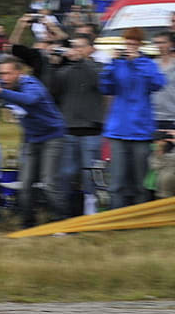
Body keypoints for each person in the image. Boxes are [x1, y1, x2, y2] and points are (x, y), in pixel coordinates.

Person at [0, 55, 66, 227]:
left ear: (19, 73)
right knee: (25, 183)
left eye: (8, 73)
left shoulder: (31, 84)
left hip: (52, 137)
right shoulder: (5, 85)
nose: (3, 78)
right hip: (32, 139)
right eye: (1, 74)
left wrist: (0, 91)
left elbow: (30, 100)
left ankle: (62, 222)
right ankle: (28, 223)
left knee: (49, 182)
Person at [99, 27, 166, 208]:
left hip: (141, 131)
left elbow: (158, 83)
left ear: (140, 44)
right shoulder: (118, 63)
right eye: (127, 43)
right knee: (117, 182)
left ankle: (140, 216)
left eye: (134, 43)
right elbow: (106, 88)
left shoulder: (148, 63)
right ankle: (116, 215)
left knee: (140, 182)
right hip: (118, 130)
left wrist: (137, 63)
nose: (130, 46)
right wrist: (111, 64)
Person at [47, 33, 105, 216]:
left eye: (80, 46)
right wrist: (53, 64)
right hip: (69, 129)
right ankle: (64, 214)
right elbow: (52, 90)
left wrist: (82, 60)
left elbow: (99, 81)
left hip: (92, 130)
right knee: (65, 174)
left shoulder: (99, 67)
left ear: (91, 49)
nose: (76, 50)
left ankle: (92, 213)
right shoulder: (66, 70)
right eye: (74, 46)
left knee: (90, 174)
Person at [152, 32, 175, 132]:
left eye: (163, 42)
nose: (159, 46)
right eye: (157, 43)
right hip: (153, 116)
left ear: (171, 44)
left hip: (172, 117)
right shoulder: (151, 65)